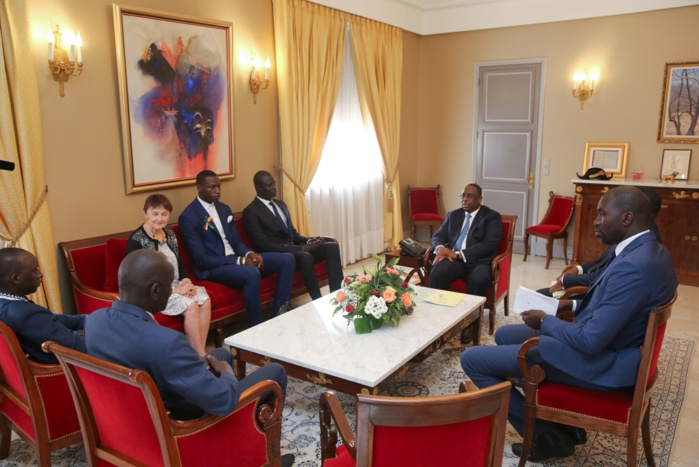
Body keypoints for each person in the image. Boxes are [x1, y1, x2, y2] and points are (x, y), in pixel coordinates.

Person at [461, 186, 678, 462]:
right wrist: (570, 305)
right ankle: (564, 424)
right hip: (609, 346)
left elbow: (590, 341)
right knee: (505, 335)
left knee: (473, 360)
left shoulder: (634, 265)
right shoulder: (650, 250)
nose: (596, 221)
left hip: (599, 362)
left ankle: (545, 435)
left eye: (602, 214)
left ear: (626, 218)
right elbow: (612, 305)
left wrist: (548, 321)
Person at [84, 251, 291, 436]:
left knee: (220, 354)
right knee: (274, 371)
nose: (174, 290)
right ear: (156, 291)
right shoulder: (167, 342)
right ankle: (259, 449)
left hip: (130, 417)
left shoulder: (94, 321)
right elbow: (223, 401)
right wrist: (227, 373)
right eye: (171, 285)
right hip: (179, 420)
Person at [178, 170, 295, 326]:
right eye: (212, 187)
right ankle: (256, 326)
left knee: (287, 259)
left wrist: (250, 253)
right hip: (213, 267)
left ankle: (278, 313)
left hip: (236, 260)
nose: (217, 191)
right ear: (199, 188)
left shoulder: (224, 209)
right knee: (252, 272)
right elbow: (201, 259)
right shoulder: (189, 217)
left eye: (218, 186)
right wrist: (240, 261)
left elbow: (236, 241)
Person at [127, 194, 212, 357]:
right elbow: (140, 278)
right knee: (191, 306)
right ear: (145, 213)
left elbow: (178, 262)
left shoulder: (170, 235)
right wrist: (176, 291)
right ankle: (201, 358)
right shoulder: (136, 240)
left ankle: (196, 355)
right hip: (153, 292)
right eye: (155, 213)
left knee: (204, 300)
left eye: (164, 214)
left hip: (176, 284)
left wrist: (187, 282)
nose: (159, 218)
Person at [540, 186, 663, 297]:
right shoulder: (632, 232)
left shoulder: (640, 243)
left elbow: (605, 276)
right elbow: (602, 261)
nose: (597, 222)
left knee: (541, 296)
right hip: (595, 288)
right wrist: (579, 268)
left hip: (596, 293)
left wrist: (567, 280)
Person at [242, 170, 343, 300]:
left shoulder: (281, 204)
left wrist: (308, 242)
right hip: (279, 255)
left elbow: (292, 233)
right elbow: (263, 244)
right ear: (258, 187)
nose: (274, 187)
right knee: (305, 256)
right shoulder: (251, 212)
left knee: (331, 247)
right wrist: (301, 249)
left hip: (296, 249)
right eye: (269, 185)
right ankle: (318, 300)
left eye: (274, 183)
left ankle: (338, 295)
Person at [0, 248, 86, 364]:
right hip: (67, 370)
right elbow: (79, 349)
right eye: (34, 270)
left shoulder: (6, 303)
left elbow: (52, 319)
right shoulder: (25, 313)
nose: (40, 274)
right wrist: (97, 331)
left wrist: (88, 319)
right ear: (16, 278)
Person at [429, 183, 502, 296]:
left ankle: (473, 313)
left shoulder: (491, 217)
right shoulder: (453, 215)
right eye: (463, 196)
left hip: (479, 262)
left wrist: (458, 254)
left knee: (479, 279)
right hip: (454, 261)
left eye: (469, 196)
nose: (465, 199)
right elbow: (438, 236)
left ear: (479, 199)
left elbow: (489, 245)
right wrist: (440, 248)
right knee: (438, 271)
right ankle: (438, 309)